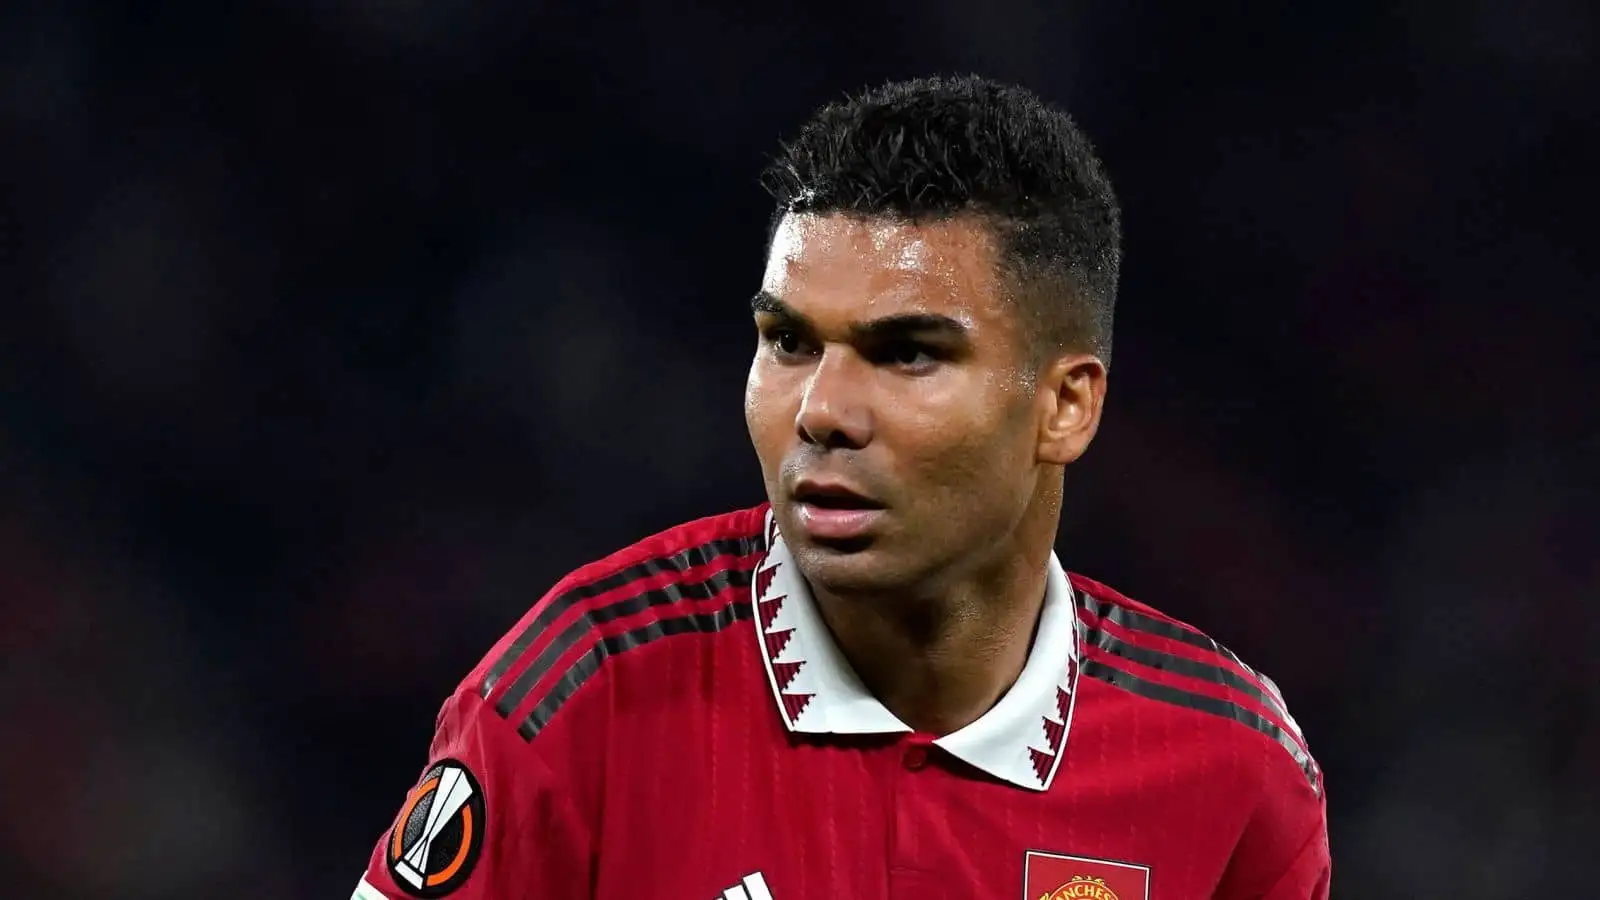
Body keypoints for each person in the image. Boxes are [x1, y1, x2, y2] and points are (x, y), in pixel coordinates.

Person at [350, 74, 1329, 900]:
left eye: (904, 353)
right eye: (787, 343)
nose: (820, 409)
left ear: (1064, 406)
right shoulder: (589, 692)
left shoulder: (1229, 767)